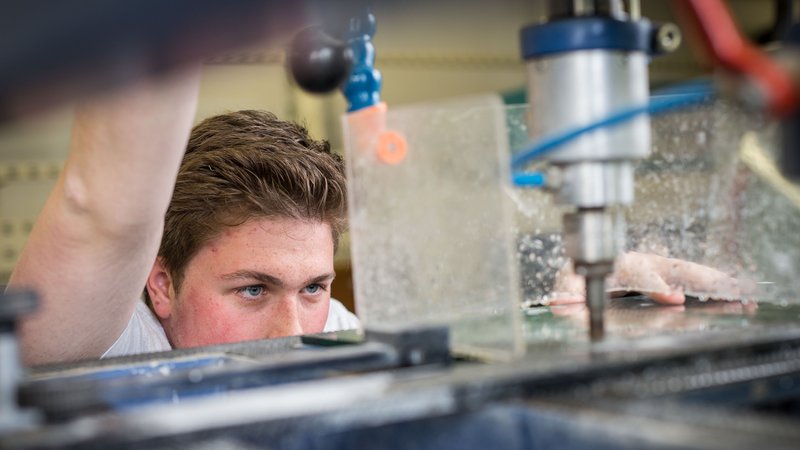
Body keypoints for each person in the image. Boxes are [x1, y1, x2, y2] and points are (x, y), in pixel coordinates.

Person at [9, 68, 743, 366]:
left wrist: (566, 320)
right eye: (252, 289)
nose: (294, 329)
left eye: (314, 286)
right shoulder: (100, 344)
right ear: (161, 283)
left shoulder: (328, 329)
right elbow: (103, 211)